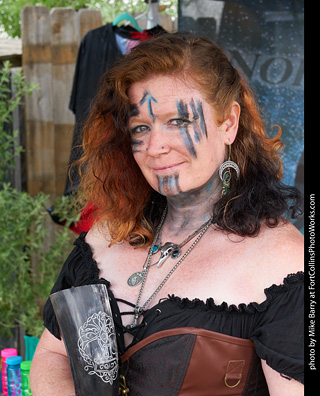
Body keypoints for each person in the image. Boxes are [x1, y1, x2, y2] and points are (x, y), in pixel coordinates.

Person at [30, 32, 304, 396]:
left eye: (178, 121)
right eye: (141, 127)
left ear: (229, 123)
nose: (155, 147)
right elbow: (52, 356)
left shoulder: (282, 261)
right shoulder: (106, 234)